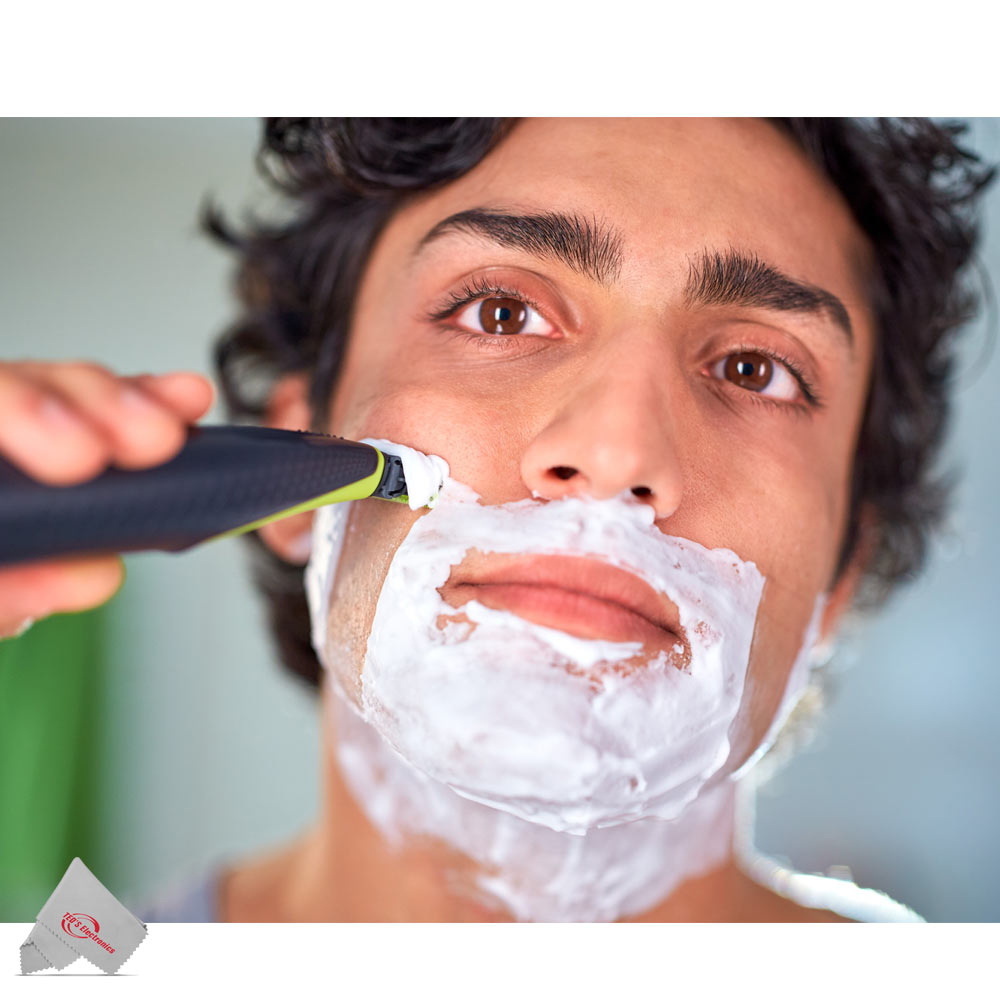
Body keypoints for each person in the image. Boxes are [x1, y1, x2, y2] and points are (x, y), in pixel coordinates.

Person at [1, 118, 994, 922]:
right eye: (500, 314)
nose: (616, 453)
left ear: (838, 578)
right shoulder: (83, 960)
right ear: (301, 455)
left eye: (753, 369)